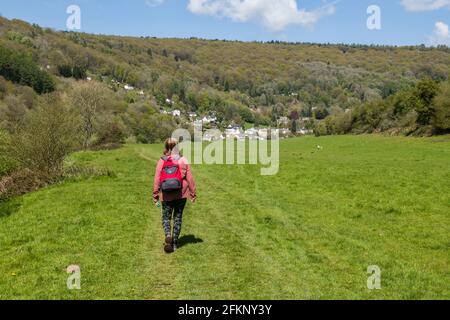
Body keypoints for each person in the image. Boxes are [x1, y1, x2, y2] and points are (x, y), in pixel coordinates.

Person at [153, 138, 197, 253]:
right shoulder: (183, 160)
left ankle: (168, 234)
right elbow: (190, 178)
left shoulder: (162, 161)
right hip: (181, 194)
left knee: (166, 217)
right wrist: (193, 193)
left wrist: (155, 194)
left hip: (166, 194)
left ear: (166, 147)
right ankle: (175, 243)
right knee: (178, 217)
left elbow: (157, 179)